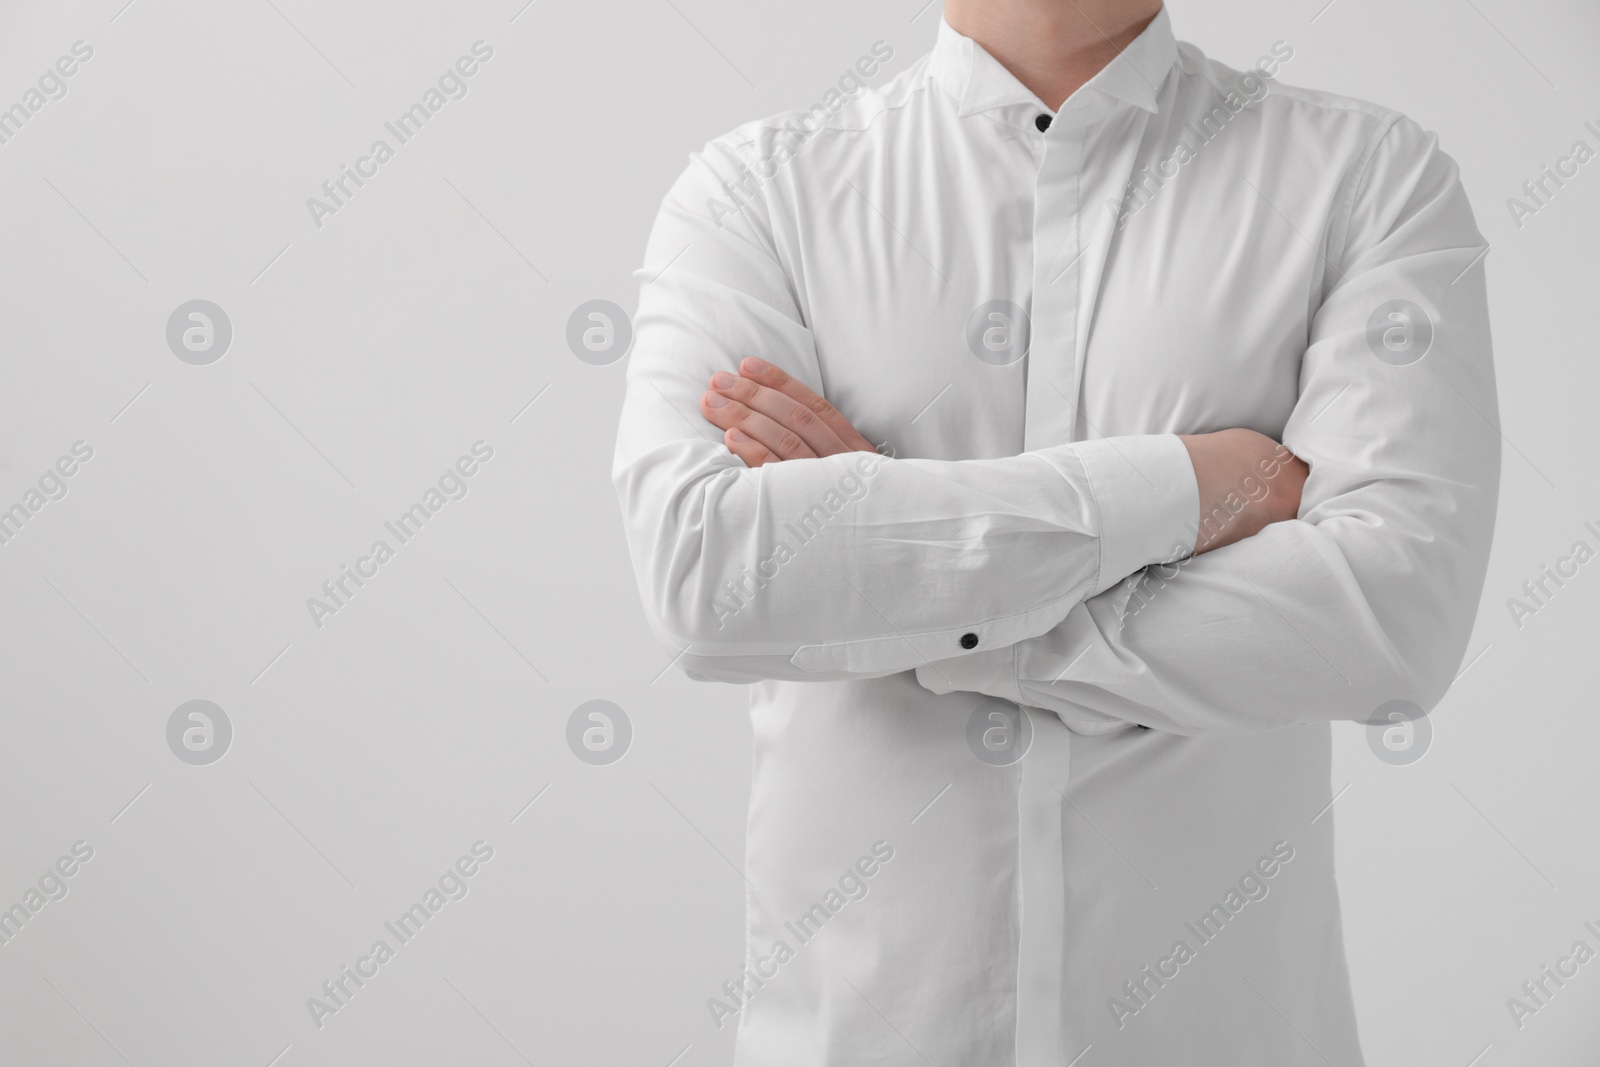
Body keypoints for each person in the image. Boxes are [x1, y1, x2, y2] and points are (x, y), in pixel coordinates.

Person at [612, 1, 1499, 1062]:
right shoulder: (758, 192)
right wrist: (1181, 484)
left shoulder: (1366, 178)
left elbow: (1389, 617)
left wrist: (903, 581)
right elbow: (710, 580)